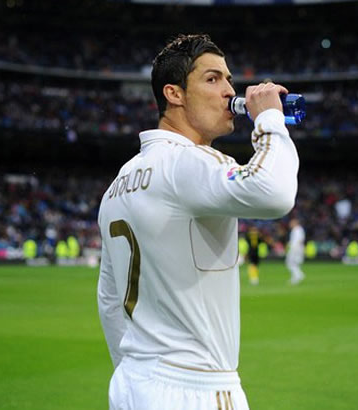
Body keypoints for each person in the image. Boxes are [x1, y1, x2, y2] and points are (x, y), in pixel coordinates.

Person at [97, 34, 300, 410]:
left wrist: (136, 371)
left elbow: (110, 301)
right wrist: (270, 119)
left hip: (133, 382)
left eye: (228, 79)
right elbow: (275, 192)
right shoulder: (187, 161)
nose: (229, 91)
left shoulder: (117, 185)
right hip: (195, 386)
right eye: (212, 79)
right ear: (173, 94)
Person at [286, 218, 305, 285]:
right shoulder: (297, 229)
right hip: (296, 248)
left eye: (291, 223)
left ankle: (299, 275)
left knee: (290, 263)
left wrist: (293, 248)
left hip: (295, 249)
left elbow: (299, 240)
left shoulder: (297, 230)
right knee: (293, 264)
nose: (290, 224)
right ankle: (296, 276)